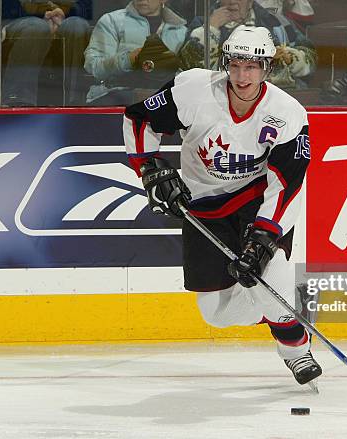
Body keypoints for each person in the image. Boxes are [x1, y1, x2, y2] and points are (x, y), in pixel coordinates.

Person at [123, 26, 321, 387]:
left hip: (256, 201)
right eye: (236, 65)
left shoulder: (288, 114)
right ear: (225, 63)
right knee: (215, 313)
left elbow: (287, 186)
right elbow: (139, 118)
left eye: (253, 66)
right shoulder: (194, 90)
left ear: (267, 69)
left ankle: (296, 349)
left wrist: (263, 239)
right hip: (204, 205)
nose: (243, 76)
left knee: (267, 274)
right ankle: (282, 309)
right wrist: (150, 170)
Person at [179, 0, 316, 90]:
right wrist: (211, 27)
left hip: (277, 96)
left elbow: (311, 57)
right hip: (221, 97)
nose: (232, 1)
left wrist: (289, 58)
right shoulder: (202, 23)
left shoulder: (276, 22)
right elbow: (188, 67)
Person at [84, 0, 187, 106]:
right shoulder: (111, 21)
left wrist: (169, 68)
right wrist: (130, 59)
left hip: (165, 97)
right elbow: (94, 67)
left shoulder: (181, 31)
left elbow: (186, 75)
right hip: (117, 94)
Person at [1, 0, 92, 106]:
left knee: (77, 25)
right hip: (21, 21)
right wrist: (44, 12)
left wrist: (63, 13)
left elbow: (85, 6)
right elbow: (6, 7)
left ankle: (75, 101)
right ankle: (18, 99)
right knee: (37, 27)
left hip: (65, 20)